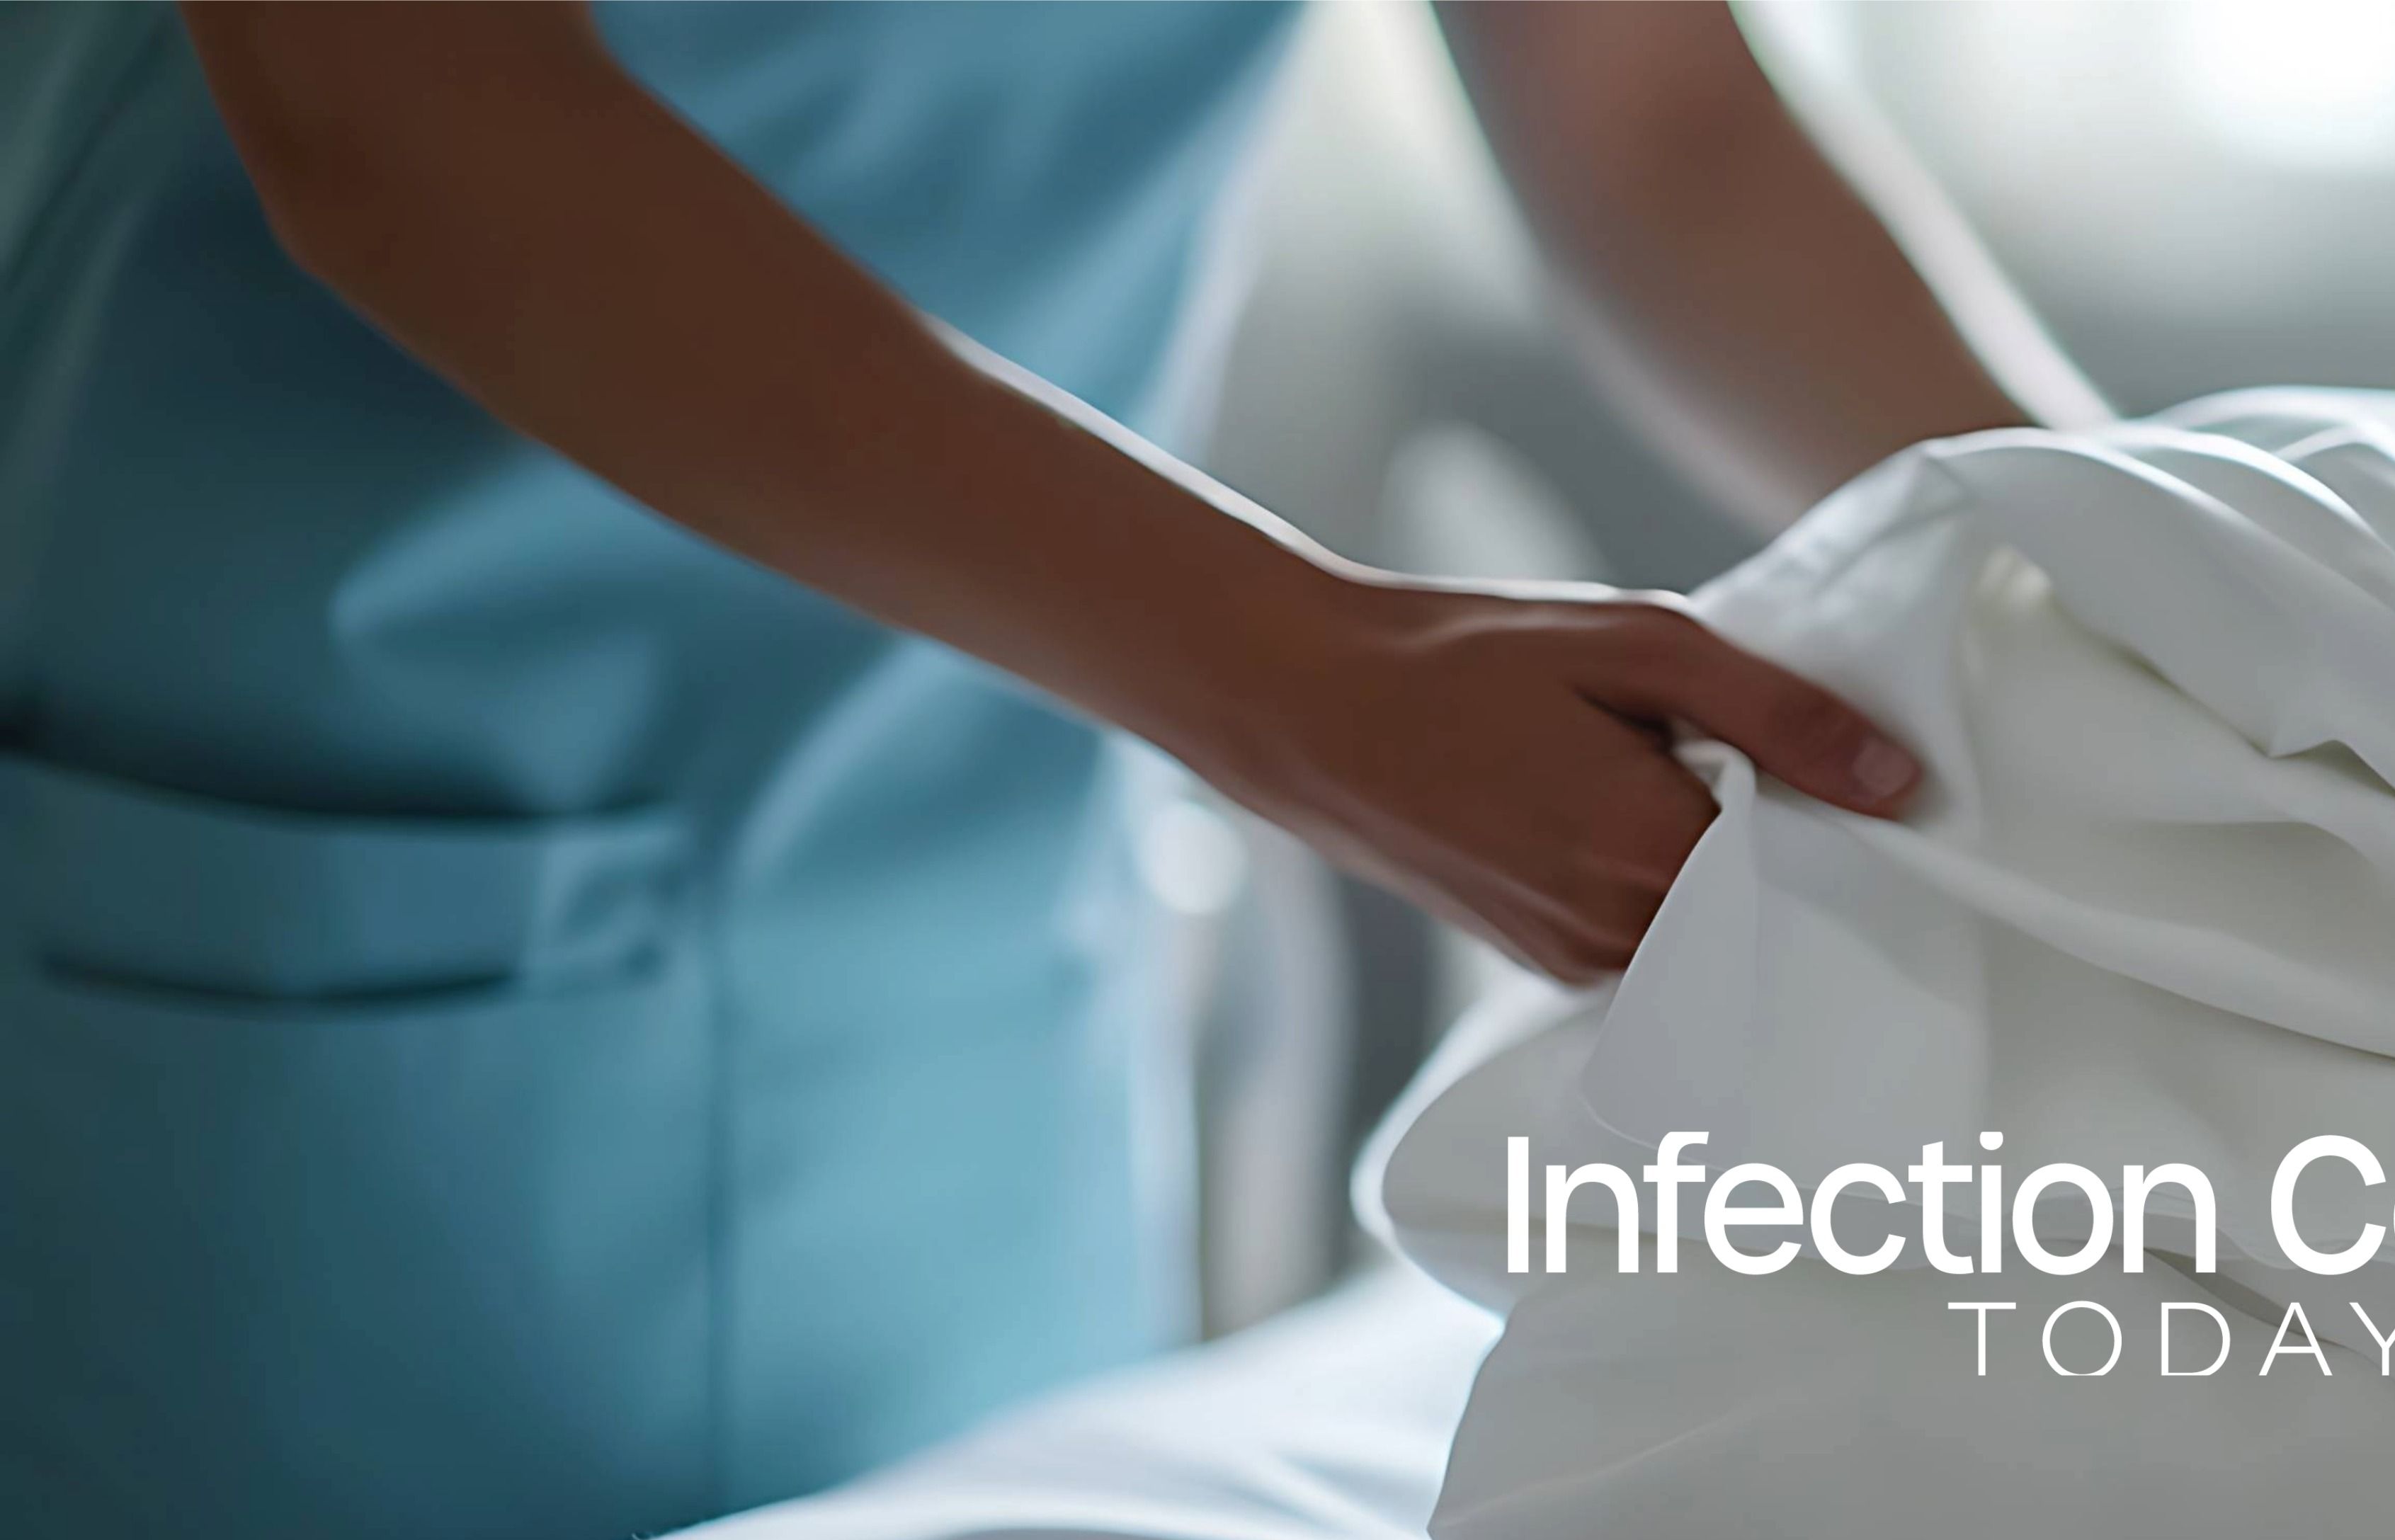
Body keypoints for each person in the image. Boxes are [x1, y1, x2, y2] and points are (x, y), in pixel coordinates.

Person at [0, 4, 2086, 1536]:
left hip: (980, 916)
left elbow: (1659, 123)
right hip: (308, 872)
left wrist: (2147, 566)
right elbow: (393, 99)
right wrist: (1305, 679)